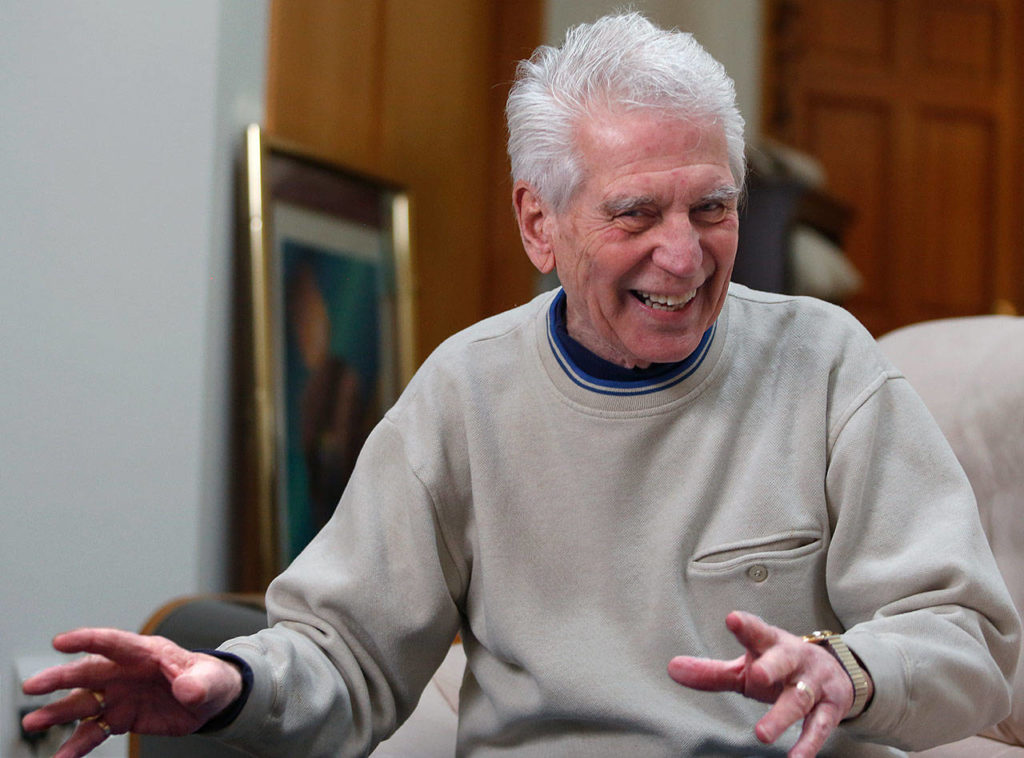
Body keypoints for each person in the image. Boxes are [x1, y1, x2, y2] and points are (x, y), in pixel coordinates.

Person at [22, 13, 1019, 758]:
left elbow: (966, 641)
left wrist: (846, 666)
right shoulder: (465, 392)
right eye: (636, 216)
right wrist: (228, 682)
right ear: (539, 223)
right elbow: (346, 651)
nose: (684, 257)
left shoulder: (828, 362)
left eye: (711, 207)